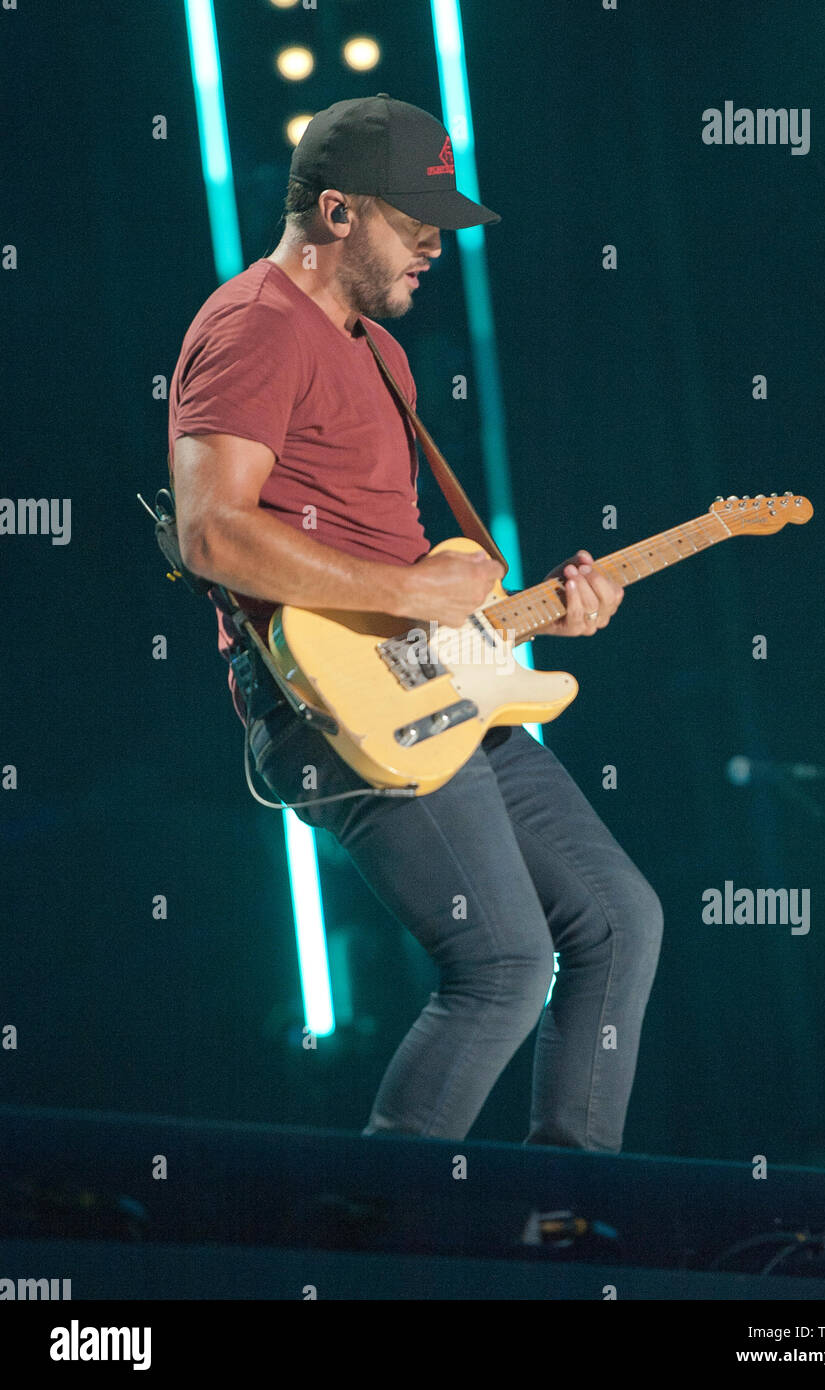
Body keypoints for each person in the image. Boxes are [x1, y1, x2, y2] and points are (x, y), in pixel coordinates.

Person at [168, 95, 662, 1150]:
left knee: (621, 921)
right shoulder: (255, 325)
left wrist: (526, 619)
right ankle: (377, 1235)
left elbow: (419, 578)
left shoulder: (381, 356)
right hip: (330, 707)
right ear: (337, 213)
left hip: (435, 684)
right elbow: (212, 535)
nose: (438, 242)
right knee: (502, 963)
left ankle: (566, 1220)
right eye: (415, 217)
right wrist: (408, 596)